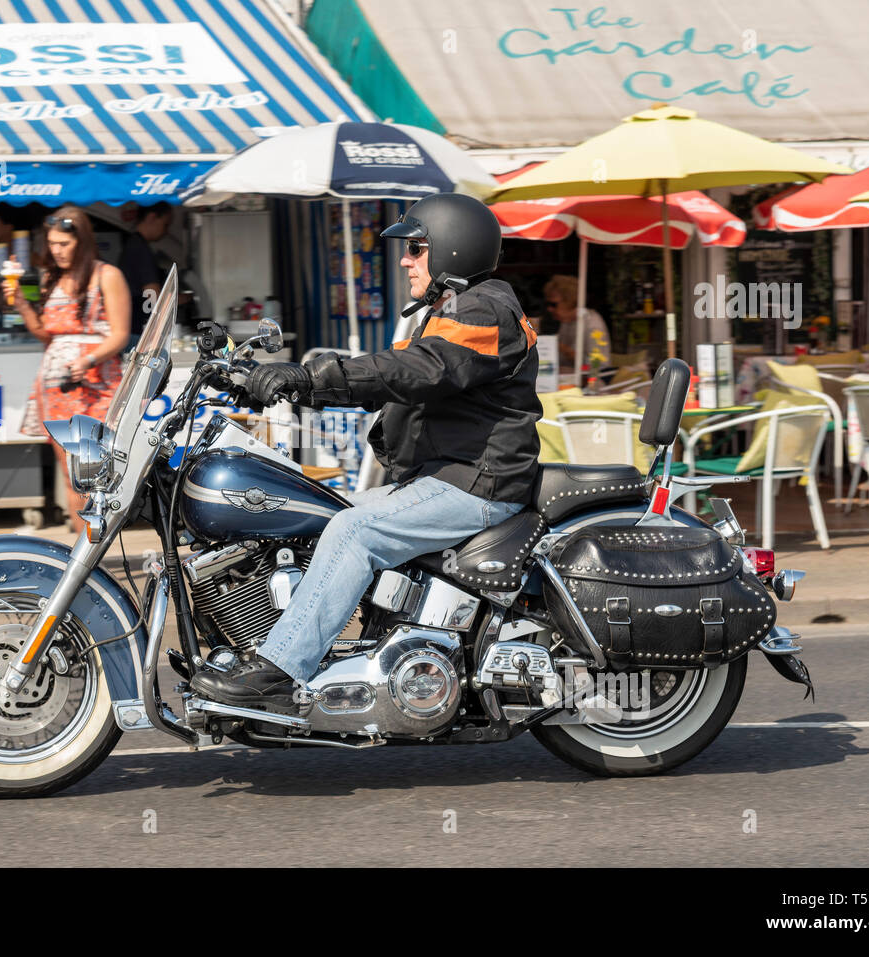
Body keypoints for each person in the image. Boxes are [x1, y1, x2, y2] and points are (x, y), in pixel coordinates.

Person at [191, 193, 543, 713]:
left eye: (417, 248)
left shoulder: (482, 308)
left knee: (352, 530)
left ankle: (281, 670)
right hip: (446, 475)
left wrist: (310, 377)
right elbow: (393, 376)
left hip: (475, 483)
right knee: (321, 514)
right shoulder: (455, 308)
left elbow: (419, 370)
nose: (405, 259)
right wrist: (276, 385)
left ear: (453, 250)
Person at [10, 206, 130, 533]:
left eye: (64, 243)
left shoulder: (107, 275)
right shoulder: (51, 277)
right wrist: (21, 304)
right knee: (69, 466)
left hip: (96, 381)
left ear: (82, 240)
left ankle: (97, 538)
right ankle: (81, 544)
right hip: (57, 385)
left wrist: (87, 359)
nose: (57, 250)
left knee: (97, 465)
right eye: (52, 243)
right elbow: (46, 335)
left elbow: (120, 333)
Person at [118, 201, 172, 343]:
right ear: (152, 217)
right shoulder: (139, 248)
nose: (166, 231)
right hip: (138, 325)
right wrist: (155, 326)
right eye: (165, 224)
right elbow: (151, 292)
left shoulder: (133, 243)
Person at [544, 274, 611, 369]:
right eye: (548, 304)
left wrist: (567, 351)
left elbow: (598, 367)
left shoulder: (593, 326)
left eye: (553, 304)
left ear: (570, 301)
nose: (549, 309)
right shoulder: (567, 321)